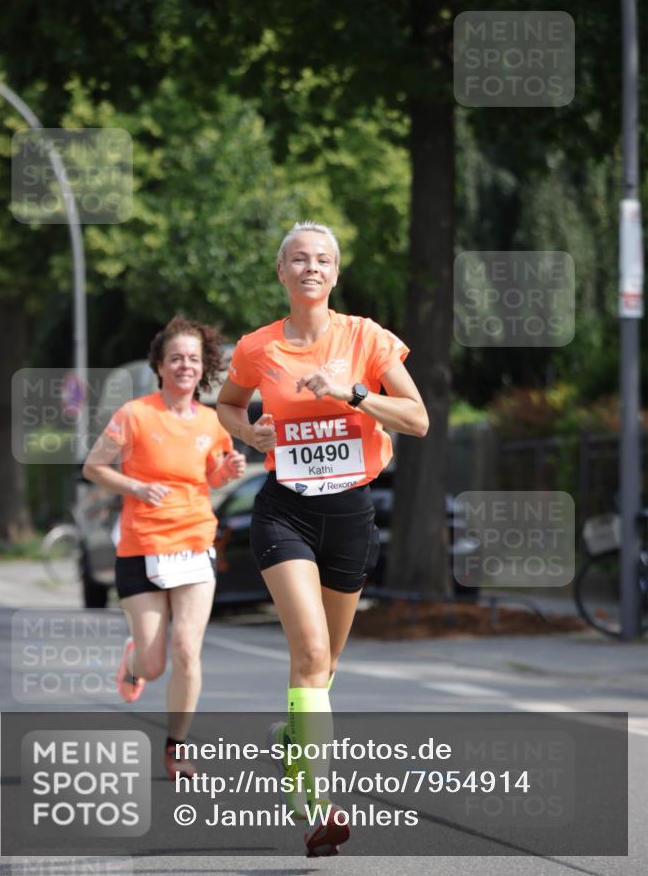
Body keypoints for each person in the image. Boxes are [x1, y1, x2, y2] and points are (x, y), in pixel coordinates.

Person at [217, 221, 428, 856]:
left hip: (350, 514)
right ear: (281, 272)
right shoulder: (258, 347)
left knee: (326, 666)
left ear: (335, 275)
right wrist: (247, 433)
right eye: (299, 259)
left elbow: (416, 419)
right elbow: (228, 404)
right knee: (308, 655)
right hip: (284, 511)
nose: (311, 268)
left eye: (323, 260)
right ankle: (318, 806)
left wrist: (355, 394)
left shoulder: (365, 338)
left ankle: (293, 743)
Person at [83, 316, 246, 779]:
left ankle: (176, 748)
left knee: (187, 651)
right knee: (154, 665)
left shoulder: (214, 423)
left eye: (193, 359)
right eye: (175, 358)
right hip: (142, 546)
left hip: (195, 543)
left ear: (203, 367)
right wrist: (134, 486)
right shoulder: (134, 415)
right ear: (159, 365)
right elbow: (95, 468)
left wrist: (227, 472)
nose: (185, 366)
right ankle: (135, 658)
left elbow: (211, 476)